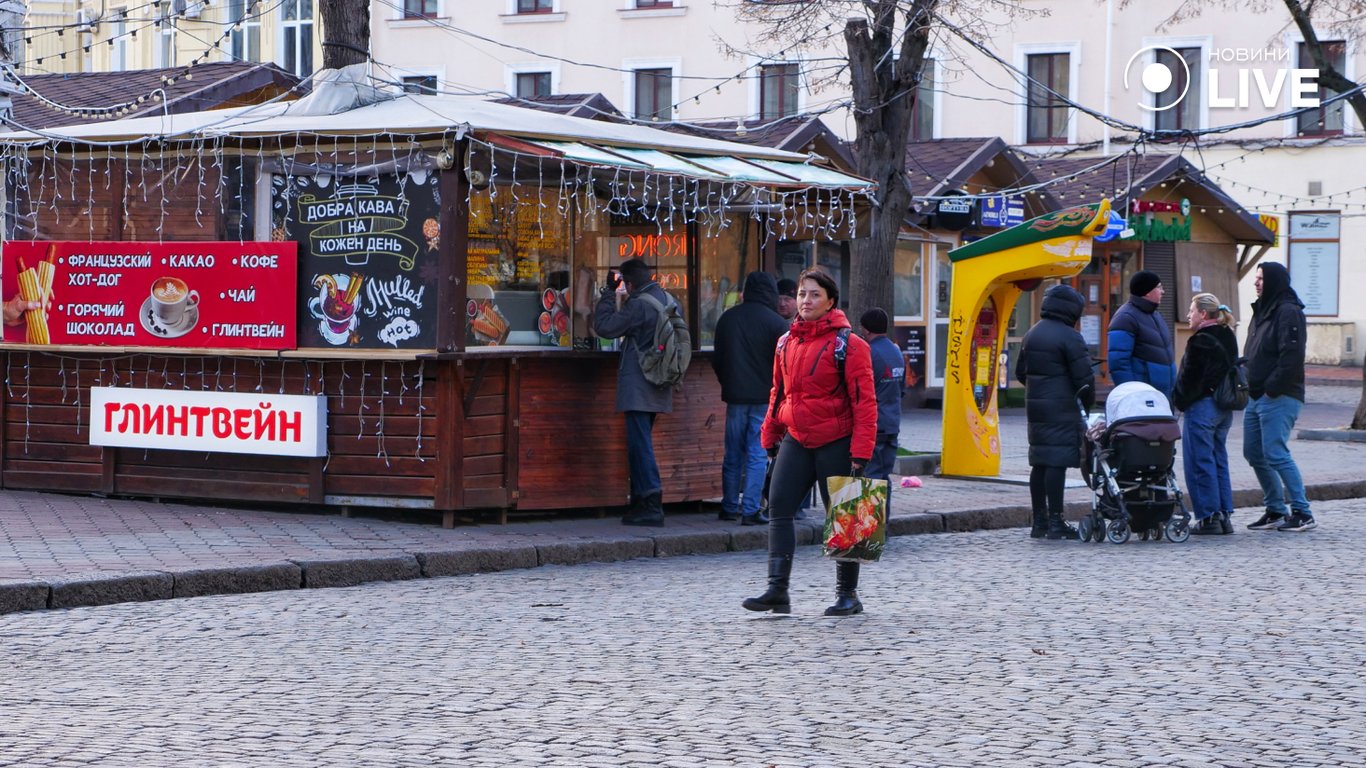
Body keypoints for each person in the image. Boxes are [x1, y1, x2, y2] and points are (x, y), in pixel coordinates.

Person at [743, 268, 876, 616]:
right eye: (802, 294)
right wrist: (770, 434)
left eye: (814, 294)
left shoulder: (850, 344)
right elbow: (778, 392)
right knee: (779, 507)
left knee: (845, 515)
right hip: (797, 438)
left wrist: (861, 452)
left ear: (831, 301)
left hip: (837, 439)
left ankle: (848, 595)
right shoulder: (786, 341)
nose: (806, 300)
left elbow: (865, 403)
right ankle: (777, 591)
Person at [593, 257, 677, 527]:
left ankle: (650, 504)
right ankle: (642, 501)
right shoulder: (669, 299)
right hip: (661, 380)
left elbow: (605, 327)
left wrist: (607, 294)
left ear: (628, 283)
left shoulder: (639, 305)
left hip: (639, 384)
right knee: (641, 444)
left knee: (640, 446)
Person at [1016, 284, 1094, 540]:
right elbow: (1084, 380)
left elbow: (1020, 372)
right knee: (1057, 462)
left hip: (1036, 406)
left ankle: (1039, 522)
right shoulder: (1070, 337)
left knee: (1039, 462)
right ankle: (1056, 521)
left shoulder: (1032, 333)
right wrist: (1087, 405)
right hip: (1062, 407)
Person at [1242, 263, 1315, 532]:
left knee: (1275, 452)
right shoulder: (1263, 309)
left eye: (1261, 278)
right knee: (1253, 452)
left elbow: (1292, 356)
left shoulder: (1288, 311)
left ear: (1273, 281)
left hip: (1280, 394)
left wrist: (1271, 387)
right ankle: (1275, 509)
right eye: (1256, 278)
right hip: (1256, 394)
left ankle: (1302, 511)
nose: (1256, 283)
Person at [712, 271, 789, 526]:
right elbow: (784, 366)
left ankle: (728, 506)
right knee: (757, 454)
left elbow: (718, 359)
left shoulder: (727, 319)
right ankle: (751, 510)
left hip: (734, 397)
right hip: (763, 398)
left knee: (732, 453)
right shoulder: (777, 323)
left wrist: (728, 383)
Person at [1172, 293, 1239, 535]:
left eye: (1191, 311)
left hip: (1202, 407)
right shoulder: (1227, 334)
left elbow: (1190, 378)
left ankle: (1208, 518)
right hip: (1224, 408)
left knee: (1199, 461)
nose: (1188, 315)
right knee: (1218, 458)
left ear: (1202, 314)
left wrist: (1178, 400)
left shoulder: (1201, 339)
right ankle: (1224, 515)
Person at [1107, 269, 1176, 399]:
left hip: (1162, 396)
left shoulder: (1155, 315)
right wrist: (1132, 396)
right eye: (1159, 287)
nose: (1163, 291)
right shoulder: (1125, 317)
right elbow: (1118, 363)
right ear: (1147, 292)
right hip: (1143, 399)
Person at [859, 308, 904, 482]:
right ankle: (885, 510)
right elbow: (902, 389)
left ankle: (871, 511)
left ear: (867, 330)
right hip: (892, 422)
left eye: (862, 328)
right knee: (884, 477)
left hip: (874, 423)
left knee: (871, 476)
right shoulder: (896, 351)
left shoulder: (868, 353)